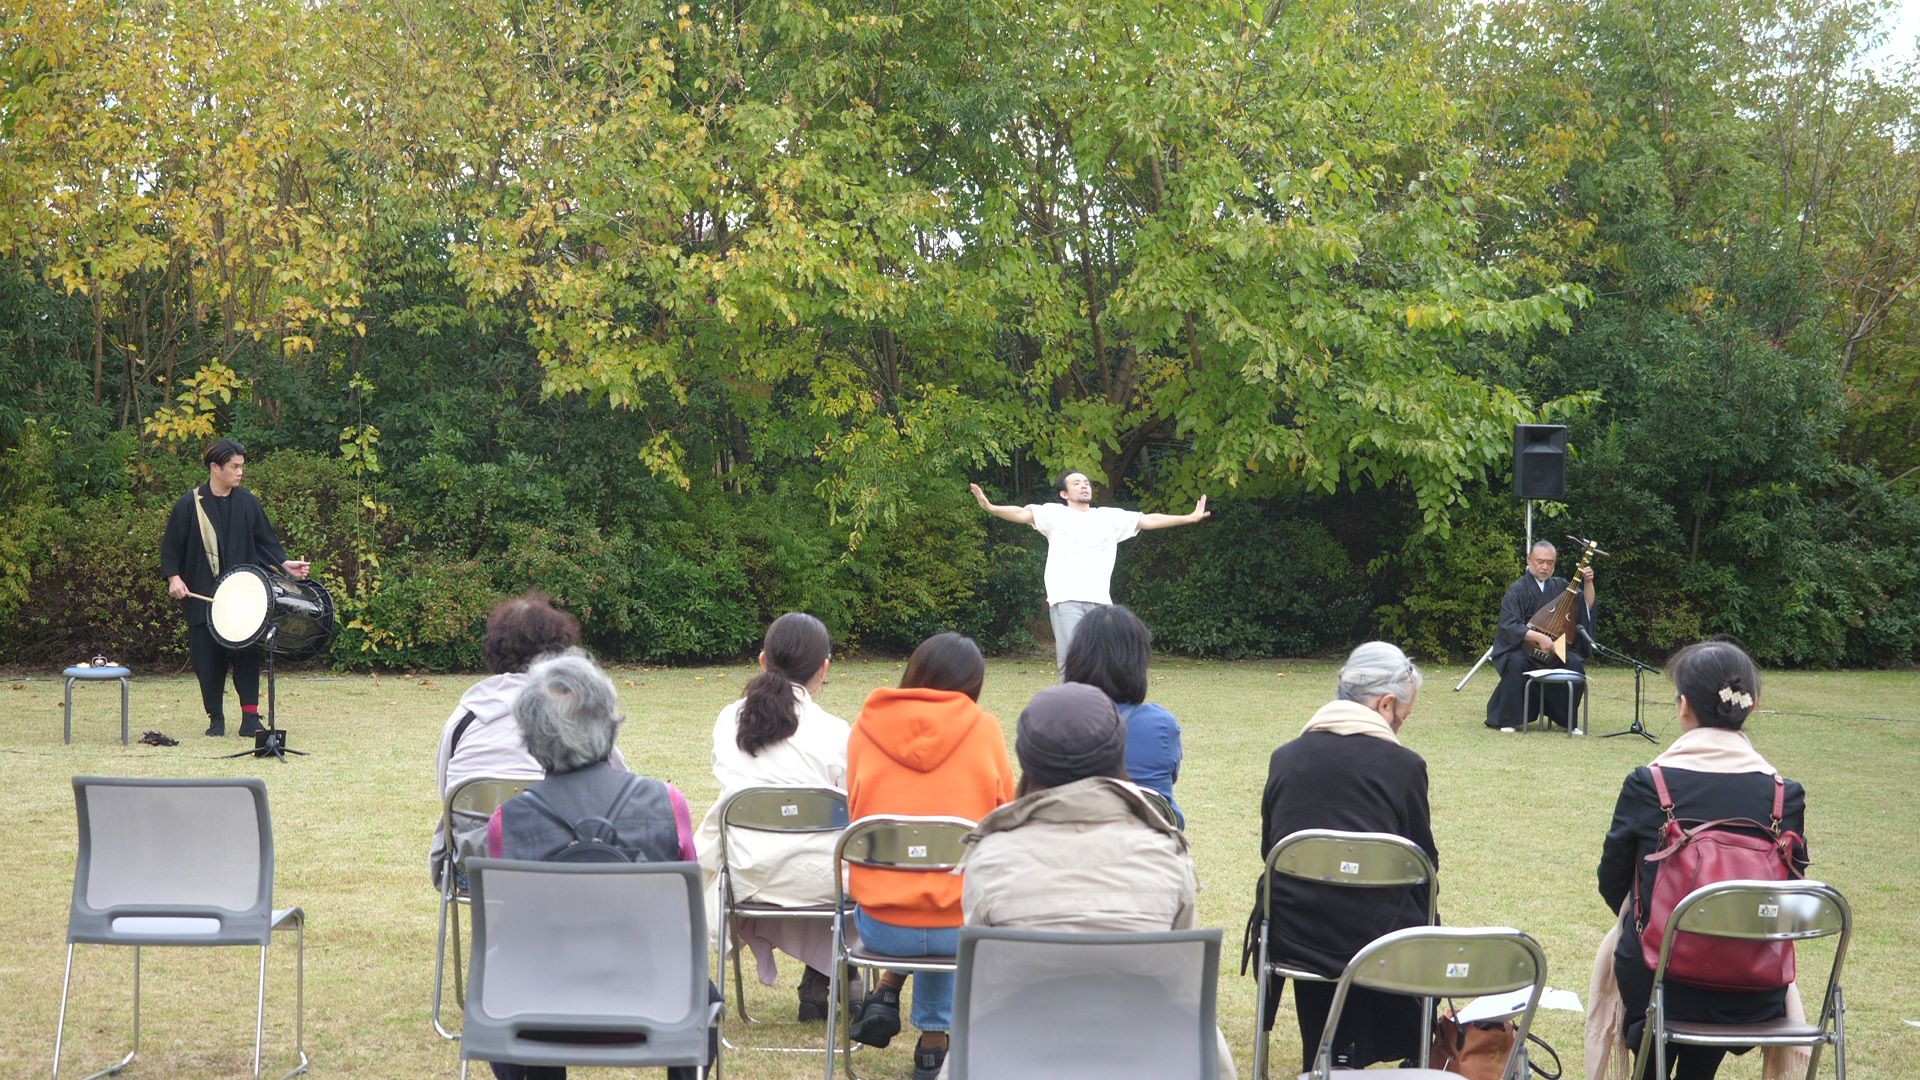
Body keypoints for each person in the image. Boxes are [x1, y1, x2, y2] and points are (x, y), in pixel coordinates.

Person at [960, 682, 1237, 1079]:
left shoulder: (990, 858)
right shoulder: (1166, 855)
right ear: (1117, 754)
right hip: (1150, 1054)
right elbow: (1178, 983)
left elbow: (987, 988)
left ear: (1027, 761)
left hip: (1019, 1052)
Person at [1587, 641, 1809, 1080]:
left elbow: (1613, 881)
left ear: (1683, 705)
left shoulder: (1649, 783)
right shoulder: (1786, 795)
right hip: (1755, 981)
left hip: (1660, 978)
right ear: (1752, 705)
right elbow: (1787, 891)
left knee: (1640, 943)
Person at [484, 650, 706, 1080]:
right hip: (659, 1004)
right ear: (608, 721)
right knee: (700, 988)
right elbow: (686, 910)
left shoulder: (505, 823)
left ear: (531, 736)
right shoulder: (667, 802)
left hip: (540, 1017)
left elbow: (510, 930)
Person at [1249, 641, 1436, 1072]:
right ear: (1386, 704)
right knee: (1394, 904)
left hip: (1295, 935)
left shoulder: (1285, 759)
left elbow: (1271, 852)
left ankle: (1329, 1052)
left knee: (1321, 899)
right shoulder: (1404, 766)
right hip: (1384, 940)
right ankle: (1387, 1050)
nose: (1400, 729)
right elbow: (1425, 865)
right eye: (1402, 719)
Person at [845, 632, 1016, 1080]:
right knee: (949, 896)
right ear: (972, 684)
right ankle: (933, 1045)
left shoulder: (865, 727)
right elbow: (1005, 820)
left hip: (881, 926)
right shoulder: (984, 729)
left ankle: (886, 988)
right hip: (956, 929)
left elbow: (857, 812)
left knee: (925, 888)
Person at [693, 612, 850, 1021]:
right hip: (824, 881)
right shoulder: (836, 732)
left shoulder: (729, 719)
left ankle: (820, 979)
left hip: (746, 874)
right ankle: (825, 978)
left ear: (763, 660)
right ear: (824, 669)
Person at [430, 591, 629, 886]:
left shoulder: (466, 717)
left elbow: (447, 790)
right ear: (560, 653)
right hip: (566, 870)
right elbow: (617, 786)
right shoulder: (578, 712)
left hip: (476, 871)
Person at [970, 472, 1208, 675]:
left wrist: (1189, 517)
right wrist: (990, 507)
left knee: (1103, 662)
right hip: (1066, 600)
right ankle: (1071, 713)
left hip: (1101, 603)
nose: (1084, 485)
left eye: (1086, 482)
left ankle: (1098, 711)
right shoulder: (1054, 513)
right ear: (1064, 494)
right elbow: (1022, 513)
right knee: (1074, 660)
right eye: (1076, 483)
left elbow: (1148, 520)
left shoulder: (1109, 517)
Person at [159, 437, 310, 736]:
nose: (240, 472)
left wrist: (284, 564)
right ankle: (215, 719)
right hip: (203, 595)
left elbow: (265, 541)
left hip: (244, 596)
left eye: (241, 466)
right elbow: (171, 547)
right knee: (207, 659)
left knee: (246, 656)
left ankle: (250, 719)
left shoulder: (248, 502)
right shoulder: (191, 503)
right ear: (216, 468)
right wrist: (173, 577)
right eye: (234, 466)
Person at [1061, 603, 1183, 825]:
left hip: (1073, 850)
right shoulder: (1161, 725)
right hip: (1149, 853)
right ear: (1138, 662)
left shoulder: (1054, 722)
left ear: (1076, 659)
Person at [1485, 539, 1597, 731]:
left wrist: (1588, 583)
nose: (1545, 567)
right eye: (1540, 561)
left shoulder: (1561, 585)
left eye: (1550, 563)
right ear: (1529, 560)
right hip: (1524, 649)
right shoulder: (1518, 589)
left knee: (1574, 665)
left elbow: (1585, 605)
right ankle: (1509, 720)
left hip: (1555, 649)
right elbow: (1509, 624)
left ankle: (1567, 721)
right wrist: (1538, 637)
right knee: (1516, 663)